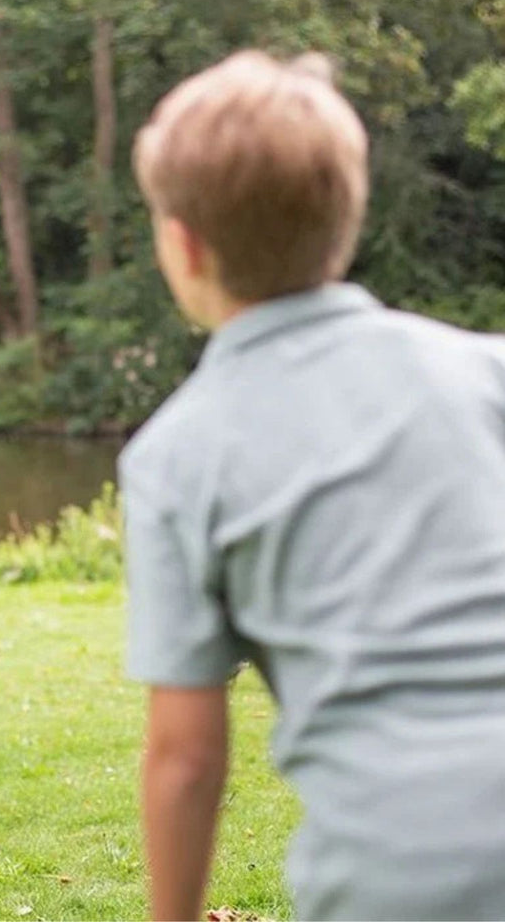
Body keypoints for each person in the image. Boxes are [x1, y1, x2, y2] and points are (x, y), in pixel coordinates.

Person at [120, 49, 505, 921]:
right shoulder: (486, 372)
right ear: (346, 220)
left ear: (183, 246)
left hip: (402, 881)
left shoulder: (175, 456)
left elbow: (185, 757)